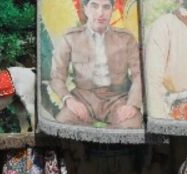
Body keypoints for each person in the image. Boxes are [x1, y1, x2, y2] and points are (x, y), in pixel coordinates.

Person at [48, 0, 142, 128]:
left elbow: (139, 75)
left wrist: (132, 104)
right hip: (83, 98)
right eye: (94, 6)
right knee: (63, 124)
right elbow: (56, 77)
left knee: (131, 125)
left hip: (117, 98)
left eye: (106, 7)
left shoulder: (126, 38)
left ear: (113, 9)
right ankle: (79, 149)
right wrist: (69, 100)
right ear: (85, 8)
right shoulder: (70, 37)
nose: (100, 13)